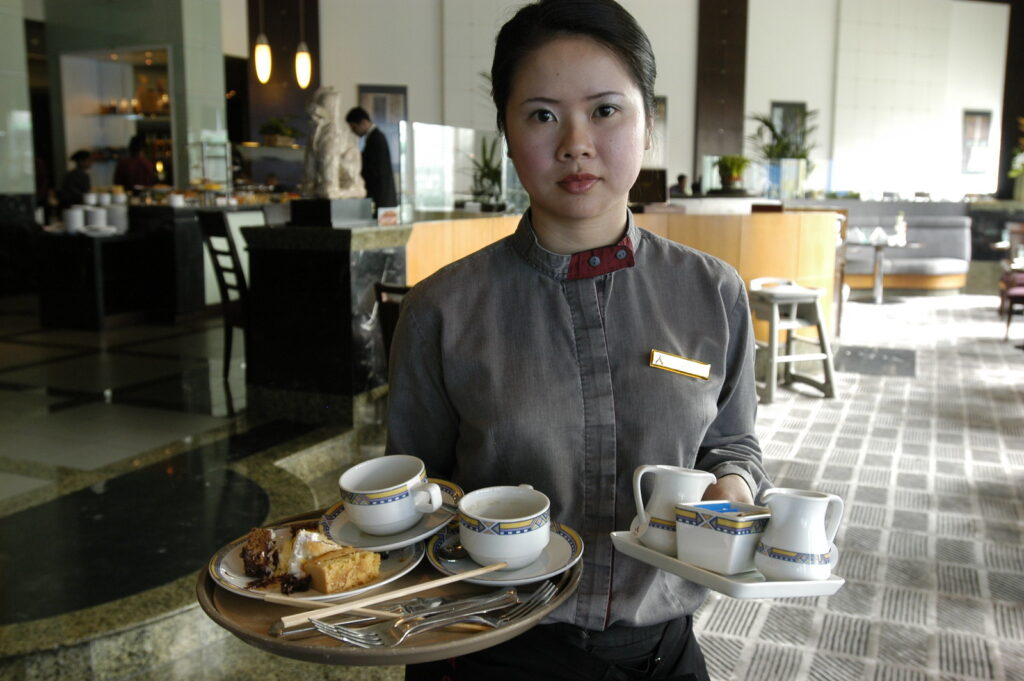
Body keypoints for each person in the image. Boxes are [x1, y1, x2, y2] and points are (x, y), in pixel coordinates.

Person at [386, 1, 769, 679]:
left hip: (659, 651)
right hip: (488, 646)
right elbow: (414, 493)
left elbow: (731, 444)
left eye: (604, 110)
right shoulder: (441, 309)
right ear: (506, 134)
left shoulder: (712, 294)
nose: (574, 143)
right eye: (541, 114)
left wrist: (733, 495)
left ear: (648, 124)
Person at [345, 106, 398, 214]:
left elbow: (375, 170)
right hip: (383, 198)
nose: (354, 132)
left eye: (354, 128)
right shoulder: (375, 137)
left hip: (381, 199)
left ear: (363, 122)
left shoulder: (376, 138)